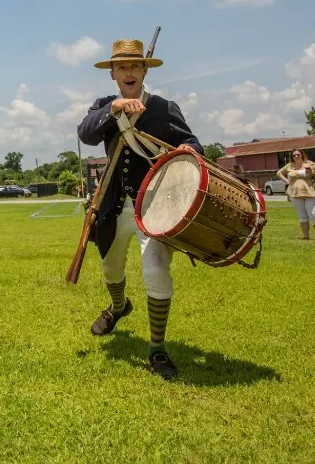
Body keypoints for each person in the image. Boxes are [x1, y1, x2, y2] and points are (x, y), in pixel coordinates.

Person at [77, 38, 203, 381]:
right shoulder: (105, 105)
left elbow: (193, 145)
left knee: (156, 271)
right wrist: (114, 109)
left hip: (156, 208)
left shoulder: (163, 107)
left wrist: (183, 157)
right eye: (122, 67)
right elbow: (85, 133)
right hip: (114, 204)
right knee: (110, 268)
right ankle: (119, 307)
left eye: (135, 66)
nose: (129, 71)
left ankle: (157, 347)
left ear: (144, 70)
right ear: (113, 74)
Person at [277, 150, 315, 242]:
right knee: (302, 216)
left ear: (302, 155)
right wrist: (288, 182)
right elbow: (279, 173)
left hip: (309, 193)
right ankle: (306, 236)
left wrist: (311, 173)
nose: (296, 156)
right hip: (294, 194)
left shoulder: (310, 164)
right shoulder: (290, 165)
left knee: (313, 214)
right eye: (294, 155)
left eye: (298, 154)